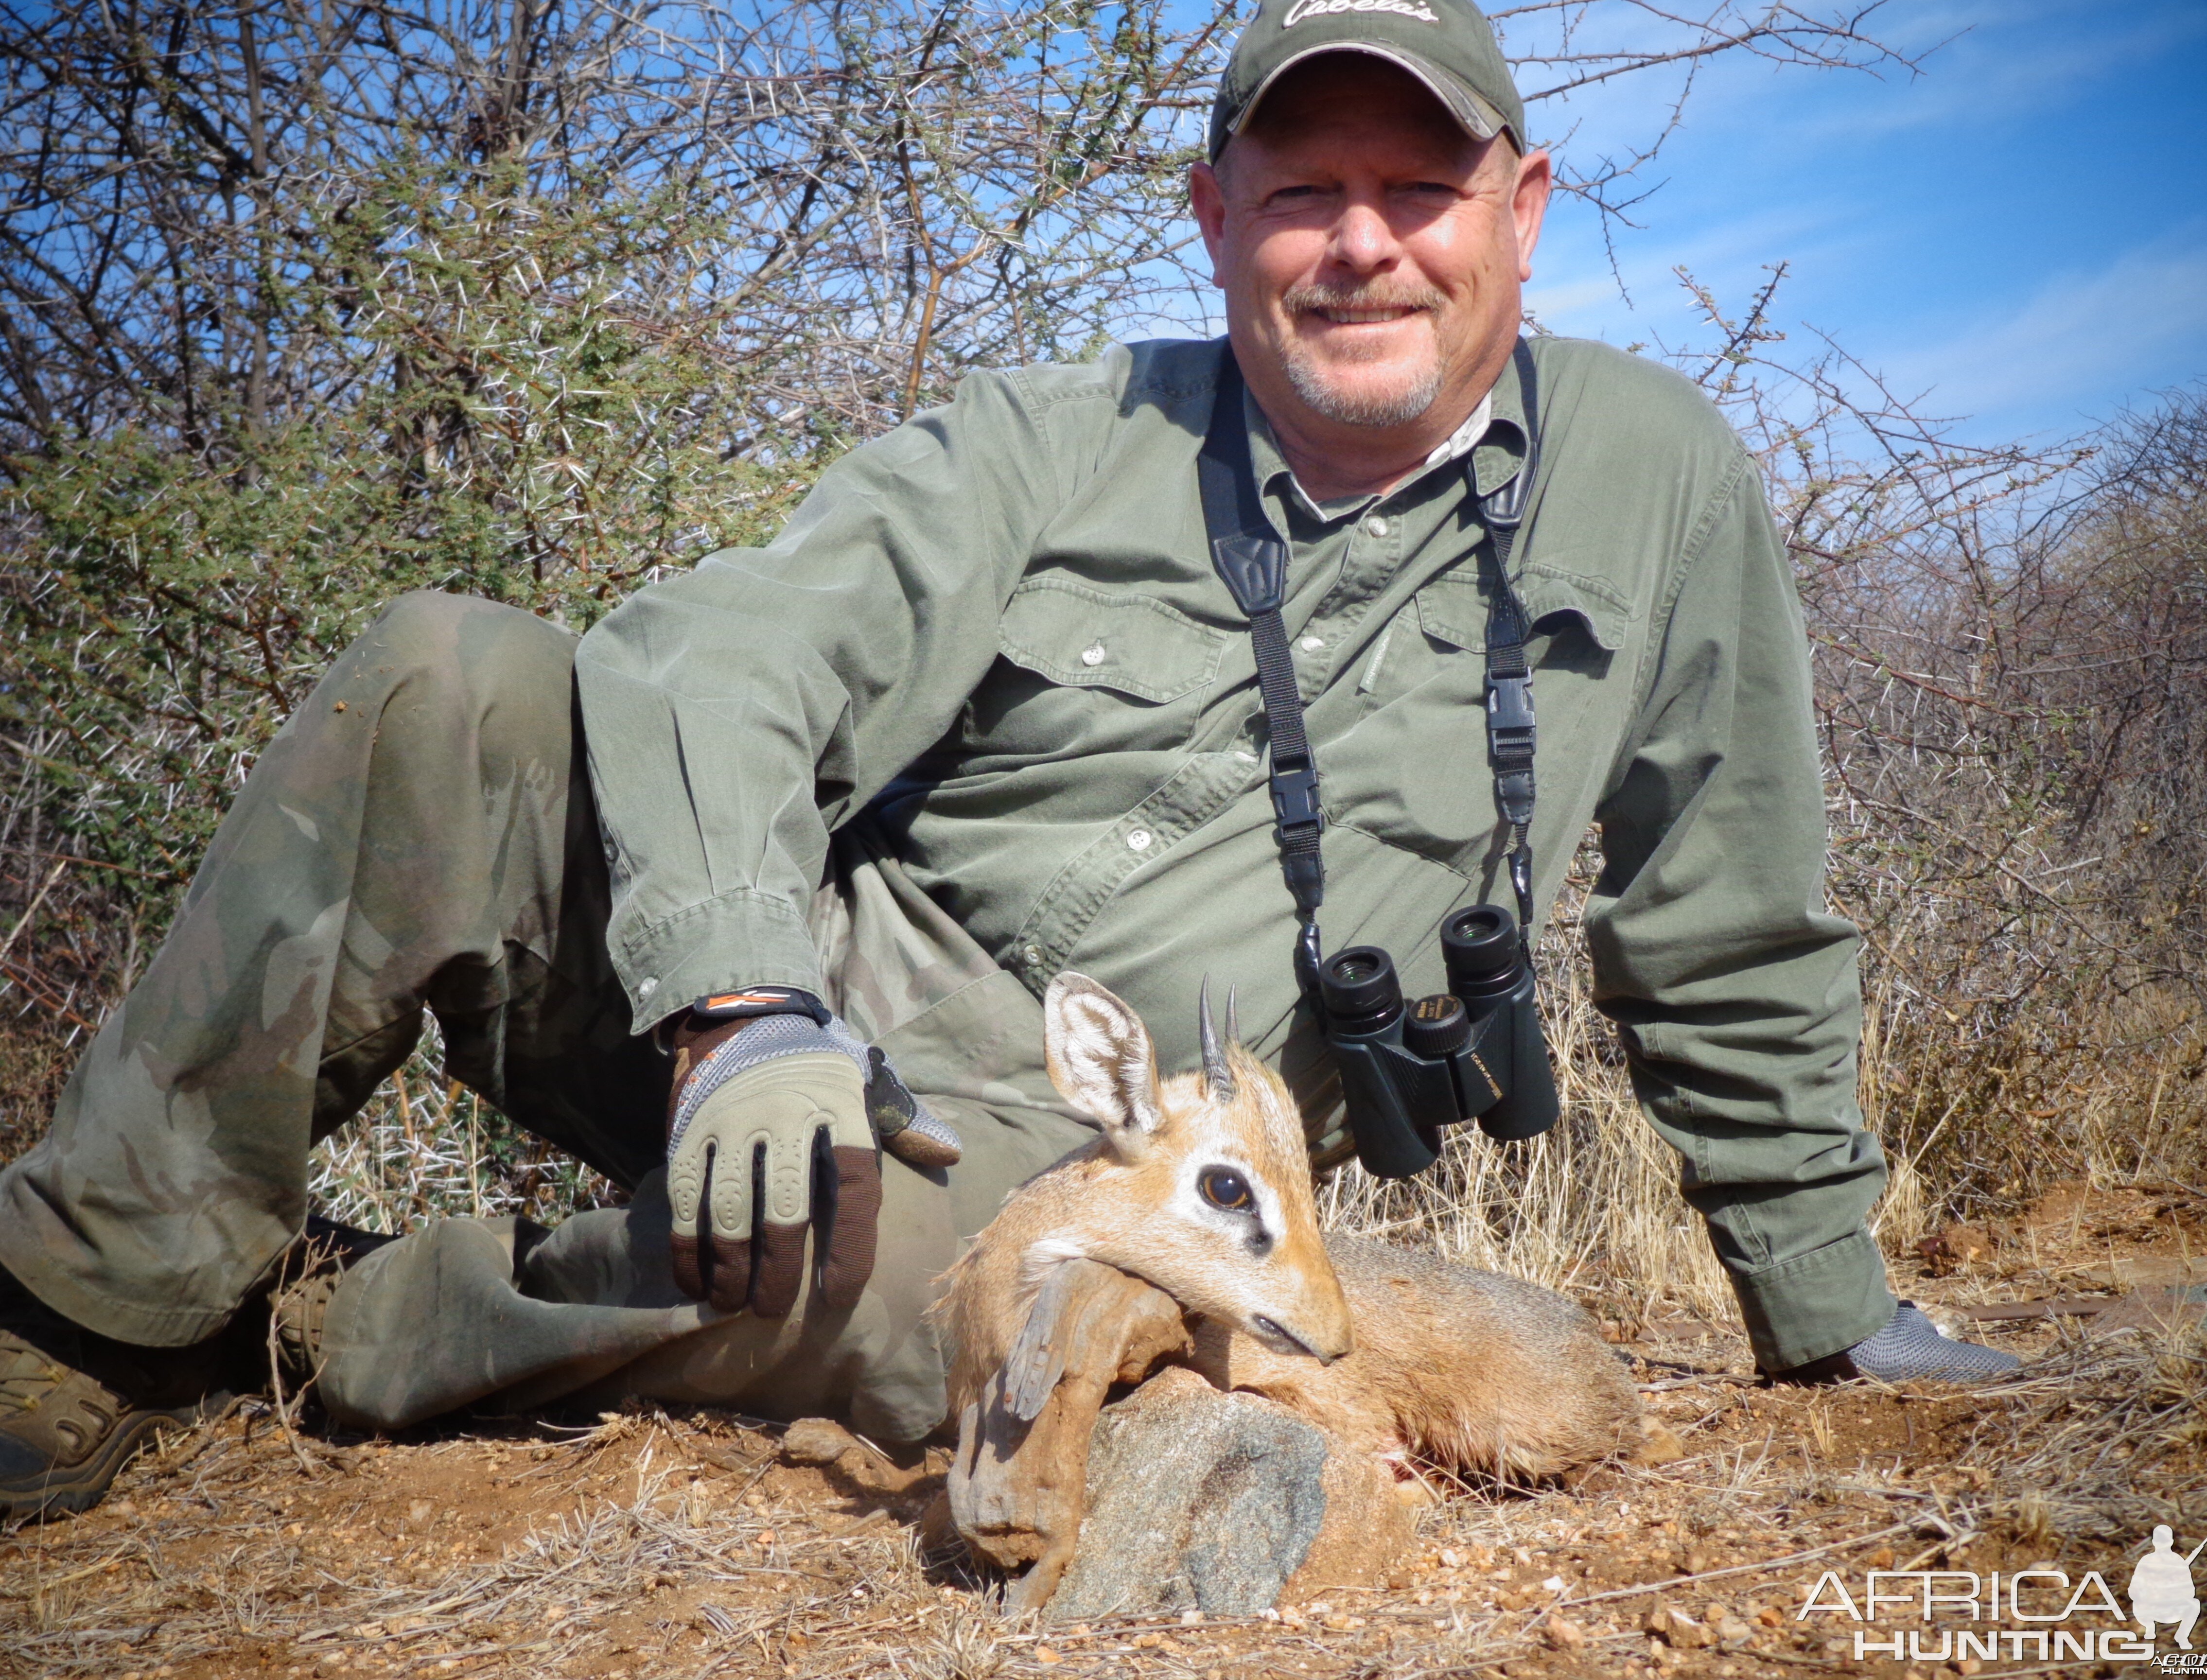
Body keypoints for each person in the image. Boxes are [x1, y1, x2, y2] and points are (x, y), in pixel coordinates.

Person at [0, 0, 2018, 1521]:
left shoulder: (1664, 480)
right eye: (1302, 191)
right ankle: (94, 1306)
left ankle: (334, 1324)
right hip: (790, 996)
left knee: (903, 1275)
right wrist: (739, 992)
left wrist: (1822, 1296)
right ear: (1213, 214)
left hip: (1113, 1139)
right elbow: (726, 642)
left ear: (1524, 208)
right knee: (451, 680)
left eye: (1420, 191)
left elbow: (1730, 910)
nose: (1363, 249)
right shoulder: (1058, 428)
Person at [2130, 1525, 2203, 1649]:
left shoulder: (2178, 1561)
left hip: (2171, 1606)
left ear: (2172, 1542)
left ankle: (2182, 1636)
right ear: (2154, 1542)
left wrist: (2174, 1591)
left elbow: (2190, 1591)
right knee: (2139, 1604)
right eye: (2160, 1541)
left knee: (2194, 1604)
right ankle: (2149, 1628)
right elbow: (2134, 1588)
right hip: (2150, 1606)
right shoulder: (2146, 1561)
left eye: (2165, 1541)